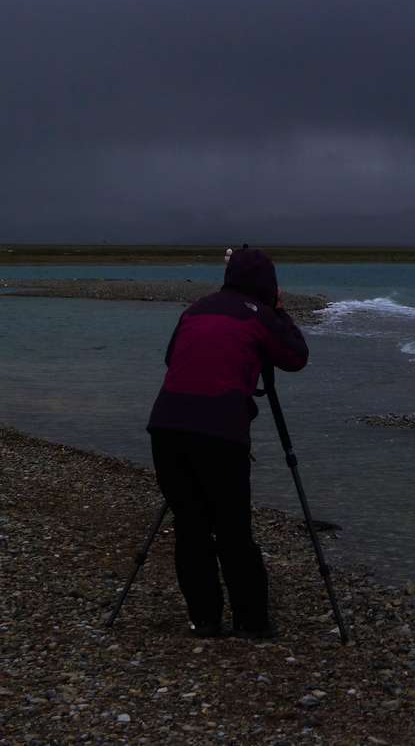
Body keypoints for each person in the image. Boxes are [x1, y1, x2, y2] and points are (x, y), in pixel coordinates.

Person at [147, 247, 309, 638]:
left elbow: (172, 359)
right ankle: (251, 623)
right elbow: (296, 357)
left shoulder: (195, 309)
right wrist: (280, 311)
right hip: (219, 433)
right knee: (233, 529)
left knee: (191, 525)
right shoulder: (260, 316)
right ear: (268, 284)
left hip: (167, 427)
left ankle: (204, 619)